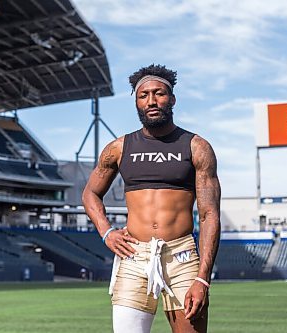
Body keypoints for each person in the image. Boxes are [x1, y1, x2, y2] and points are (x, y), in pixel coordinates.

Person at [82, 64, 221, 333]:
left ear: (172, 98)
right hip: (133, 256)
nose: (152, 101)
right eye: (143, 95)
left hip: (181, 257)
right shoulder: (119, 148)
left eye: (159, 93)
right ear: (136, 102)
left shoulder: (196, 146)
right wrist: (106, 231)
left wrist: (202, 279)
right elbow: (90, 193)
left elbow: (209, 215)